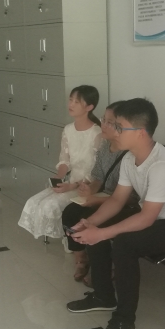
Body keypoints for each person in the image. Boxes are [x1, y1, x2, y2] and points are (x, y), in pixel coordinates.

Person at [66, 98, 165, 329]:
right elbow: (117, 200)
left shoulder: (162, 165)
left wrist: (103, 233)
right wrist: (90, 222)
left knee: (123, 242)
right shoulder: (130, 158)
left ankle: (124, 321)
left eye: (119, 127)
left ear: (140, 133)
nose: (113, 131)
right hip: (155, 219)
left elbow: (146, 217)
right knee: (98, 227)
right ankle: (103, 296)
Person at [61, 101, 140, 285]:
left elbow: (131, 198)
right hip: (107, 197)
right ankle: (81, 259)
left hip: (124, 203)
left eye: (109, 122)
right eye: (103, 119)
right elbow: (97, 177)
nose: (103, 125)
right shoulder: (105, 146)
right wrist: (91, 190)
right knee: (70, 212)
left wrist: (96, 201)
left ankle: (105, 269)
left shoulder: (131, 155)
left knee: (94, 220)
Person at [18, 85, 103, 240]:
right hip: (70, 182)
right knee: (33, 202)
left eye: (76, 102)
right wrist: (59, 178)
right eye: (70, 100)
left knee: (48, 205)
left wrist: (74, 185)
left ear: (89, 107)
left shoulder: (97, 133)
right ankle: (66, 236)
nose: (71, 104)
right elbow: (64, 160)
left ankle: (69, 238)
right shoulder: (68, 129)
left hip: (87, 186)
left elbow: (97, 170)